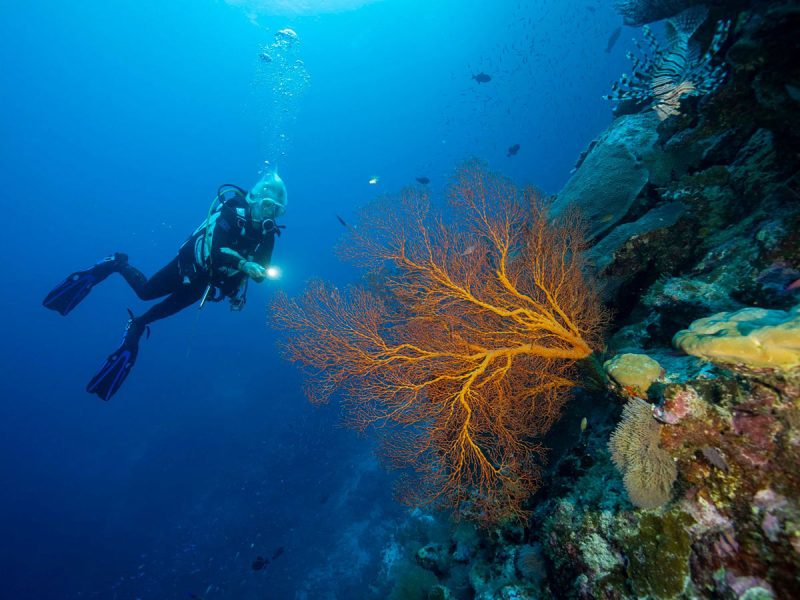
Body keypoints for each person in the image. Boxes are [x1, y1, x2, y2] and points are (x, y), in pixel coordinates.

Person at [43, 170, 287, 401]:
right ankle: (117, 263)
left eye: (276, 209)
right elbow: (216, 250)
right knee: (146, 292)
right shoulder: (232, 213)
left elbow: (261, 270)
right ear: (254, 200)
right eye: (267, 205)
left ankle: (136, 327)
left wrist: (238, 291)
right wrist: (245, 265)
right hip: (188, 265)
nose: (270, 213)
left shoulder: (267, 235)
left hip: (204, 282)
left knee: (153, 316)